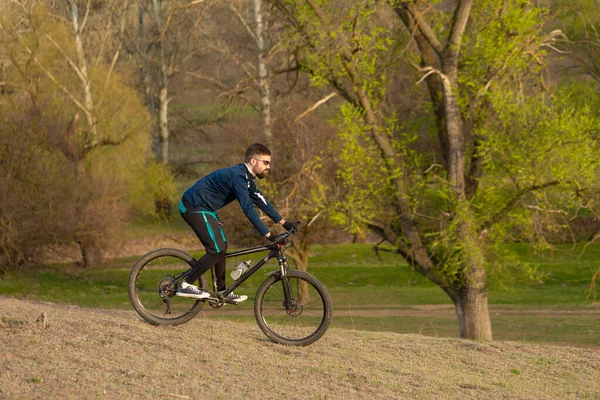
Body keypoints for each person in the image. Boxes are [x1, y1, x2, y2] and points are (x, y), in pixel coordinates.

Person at [177, 143, 299, 303]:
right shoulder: (238, 176)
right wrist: (268, 234)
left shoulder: (247, 179)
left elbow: (262, 202)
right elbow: (248, 207)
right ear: (254, 161)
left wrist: (285, 223)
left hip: (206, 209)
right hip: (193, 206)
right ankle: (185, 285)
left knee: (222, 248)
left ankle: (221, 292)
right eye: (265, 162)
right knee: (216, 249)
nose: (268, 166)